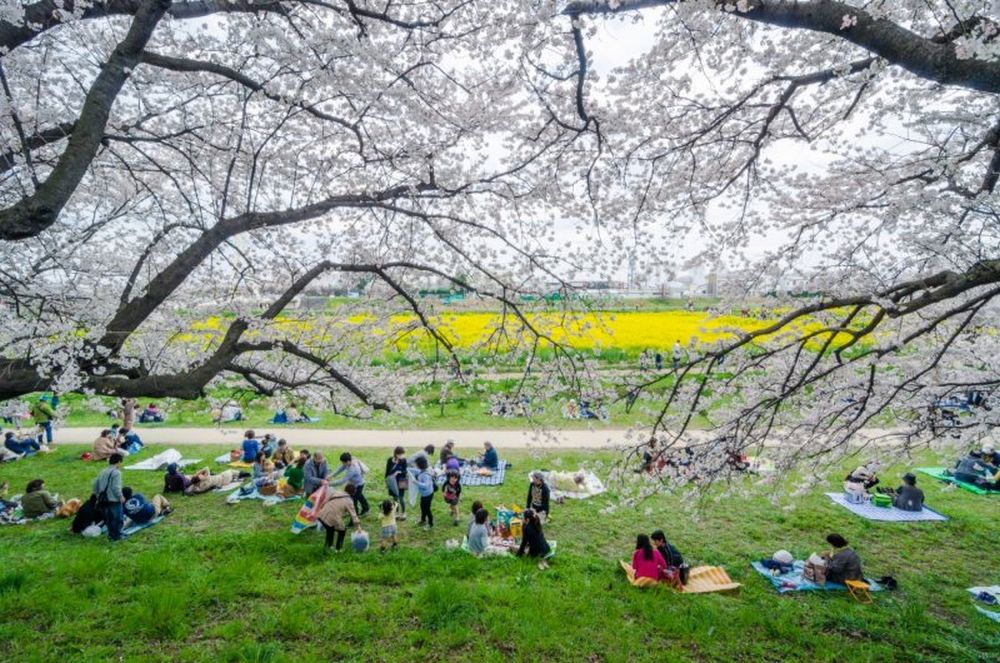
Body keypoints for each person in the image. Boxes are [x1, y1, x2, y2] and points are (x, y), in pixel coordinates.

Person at [316, 484, 361, 552]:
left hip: (321, 515)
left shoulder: (335, 492)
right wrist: (358, 527)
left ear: (345, 488)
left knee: (330, 530)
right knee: (342, 530)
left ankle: (328, 547)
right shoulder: (349, 501)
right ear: (353, 493)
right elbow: (354, 516)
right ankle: (338, 549)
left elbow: (324, 502)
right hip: (332, 518)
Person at [92, 454, 125, 541]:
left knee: (109, 519)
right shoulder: (116, 472)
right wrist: (121, 496)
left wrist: (97, 494)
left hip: (104, 499)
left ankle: (111, 535)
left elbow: (95, 483)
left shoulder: (103, 471)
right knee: (117, 519)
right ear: (118, 462)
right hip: (113, 499)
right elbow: (116, 487)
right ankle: (117, 536)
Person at [330, 452, 369, 517]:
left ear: (347, 461)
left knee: (354, 500)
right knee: (359, 496)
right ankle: (366, 508)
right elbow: (341, 468)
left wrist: (329, 484)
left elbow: (342, 481)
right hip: (355, 483)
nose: (343, 464)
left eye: (343, 462)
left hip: (358, 484)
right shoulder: (350, 460)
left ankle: (354, 516)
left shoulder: (352, 469)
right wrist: (332, 475)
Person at [408, 455, 436, 528]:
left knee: (427, 509)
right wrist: (407, 469)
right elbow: (416, 471)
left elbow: (425, 485)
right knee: (422, 507)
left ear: (419, 465)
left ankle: (430, 524)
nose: (415, 465)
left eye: (416, 464)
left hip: (428, 495)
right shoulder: (422, 470)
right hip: (424, 495)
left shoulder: (425, 474)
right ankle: (423, 520)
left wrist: (416, 482)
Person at [384, 446, 408, 520]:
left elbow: (405, 471)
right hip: (392, 481)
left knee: (401, 497)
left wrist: (398, 472)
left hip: (402, 480)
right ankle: (396, 513)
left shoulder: (404, 460)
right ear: (396, 454)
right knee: (395, 498)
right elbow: (387, 471)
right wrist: (386, 480)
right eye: (401, 454)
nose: (402, 456)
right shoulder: (390, 460)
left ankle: (403, 513)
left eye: (402, 454)